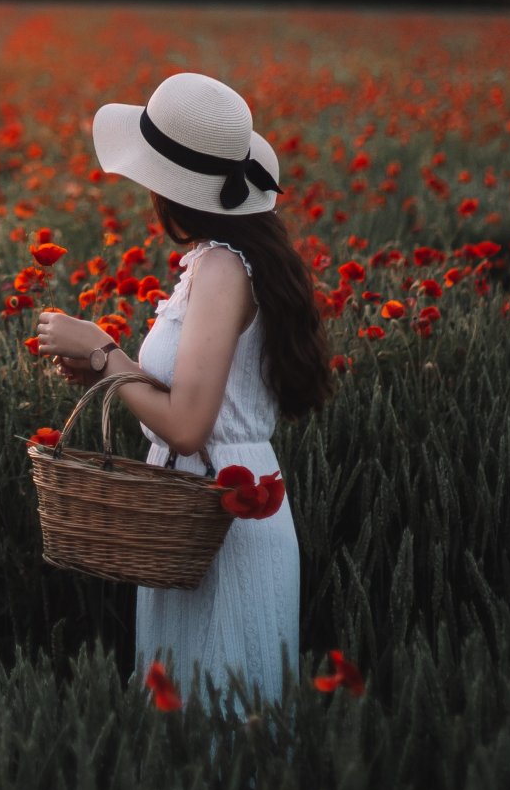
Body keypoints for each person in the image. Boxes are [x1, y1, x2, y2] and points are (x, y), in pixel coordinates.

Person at [35, 70, 335, 719]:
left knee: (223, 726)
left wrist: (102, 348)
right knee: (196, 725)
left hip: (222, 513)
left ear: (169, 187)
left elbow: (190, 424)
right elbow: (193, 399)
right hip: (198, 505)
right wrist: (110, 375)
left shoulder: (224, 269)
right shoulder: (222, 257)